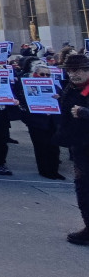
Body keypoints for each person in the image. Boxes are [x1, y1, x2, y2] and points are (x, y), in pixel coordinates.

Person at [55, 54, 89, 246]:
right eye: (69, 71)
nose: (72, 75)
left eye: (76, 71)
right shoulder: (71, 87)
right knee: (83, 187)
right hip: (80, 145)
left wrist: (85, 113)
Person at [15, 59, 63, 179]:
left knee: (54, 147)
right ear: (35, 74)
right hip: (36, 122)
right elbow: (24, 103)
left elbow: (63, 102)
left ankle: (54, 170)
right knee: (41, 147)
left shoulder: (54, 87)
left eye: (47, 74)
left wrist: (59, 98)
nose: (45, 76)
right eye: (42, 74)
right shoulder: (28, 86)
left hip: (52, 121)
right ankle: (44, 170)